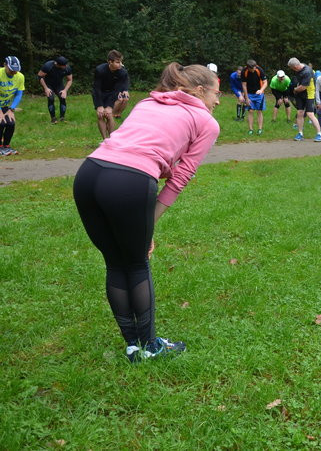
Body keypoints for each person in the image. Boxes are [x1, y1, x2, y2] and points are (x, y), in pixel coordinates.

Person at [73, 62, 220, 362]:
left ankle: (132, 346)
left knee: (115, 263)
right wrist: (147, 225)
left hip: (88, 173)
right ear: (201, 90)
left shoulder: (148, 102)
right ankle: (150, 346)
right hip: (128, 181)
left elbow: (144, 145)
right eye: (217, 93)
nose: (219, 101)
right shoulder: (206, 121)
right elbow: (181, 176)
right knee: (137, 264)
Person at [92, 50, 130, 139]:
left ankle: (111, 139)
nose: (121, 64)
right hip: (100, 92)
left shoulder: (122, 72)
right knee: (100, 115)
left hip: (112, 93)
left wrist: (109, 106)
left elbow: (117, 90)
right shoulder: (100, 70)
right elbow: (96, 88)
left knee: (109, 114)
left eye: (121, 62)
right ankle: (105, 140)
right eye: (117, 62)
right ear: (110, 62)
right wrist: (99, 106)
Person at [288, 57, 321, 142]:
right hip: (300, 94)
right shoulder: (299, 67)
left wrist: (295, 90)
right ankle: (300, 133)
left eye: (292, 68)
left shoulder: (307, 72)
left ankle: (319, 134)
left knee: (310, 114)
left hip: (308, 94)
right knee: (300, 112)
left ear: (296, 66)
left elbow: (304, 87)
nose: (292, 70)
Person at [0, 56, 24, 155]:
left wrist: (11, 109)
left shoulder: (20, 77)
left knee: (11, 123)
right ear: (5, 65)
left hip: (5, 105)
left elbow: (19, 94)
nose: (14, 72)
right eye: (11, 69)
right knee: (0, 122)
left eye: (16, 70)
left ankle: (6, 146)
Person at [38, 56, 73, 124]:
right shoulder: (48, 66)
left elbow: (70, 80)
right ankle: (53, 119)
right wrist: (46, 88)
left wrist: (65, 90)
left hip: (59, 85)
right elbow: (40, 76)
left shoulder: (67, 68)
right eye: (64, 65)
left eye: (66, 64)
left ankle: (62, 118)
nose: (66, 66)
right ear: (58, 64)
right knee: (51, 98)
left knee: (62, 98)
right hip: (48, 85)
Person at [240, 60, 267, 135]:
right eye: (252, 68)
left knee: (259, 111)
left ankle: (260, 129)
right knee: (250, 111)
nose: (254, 69)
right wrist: (246, 97)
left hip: (259, 94)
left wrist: (261, 90)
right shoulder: (244, 72)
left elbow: (265, 82)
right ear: (248, 68)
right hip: (249, 94)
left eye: (255, 67)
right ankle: (250, 129)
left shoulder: (259, 70)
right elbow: (244, 85)